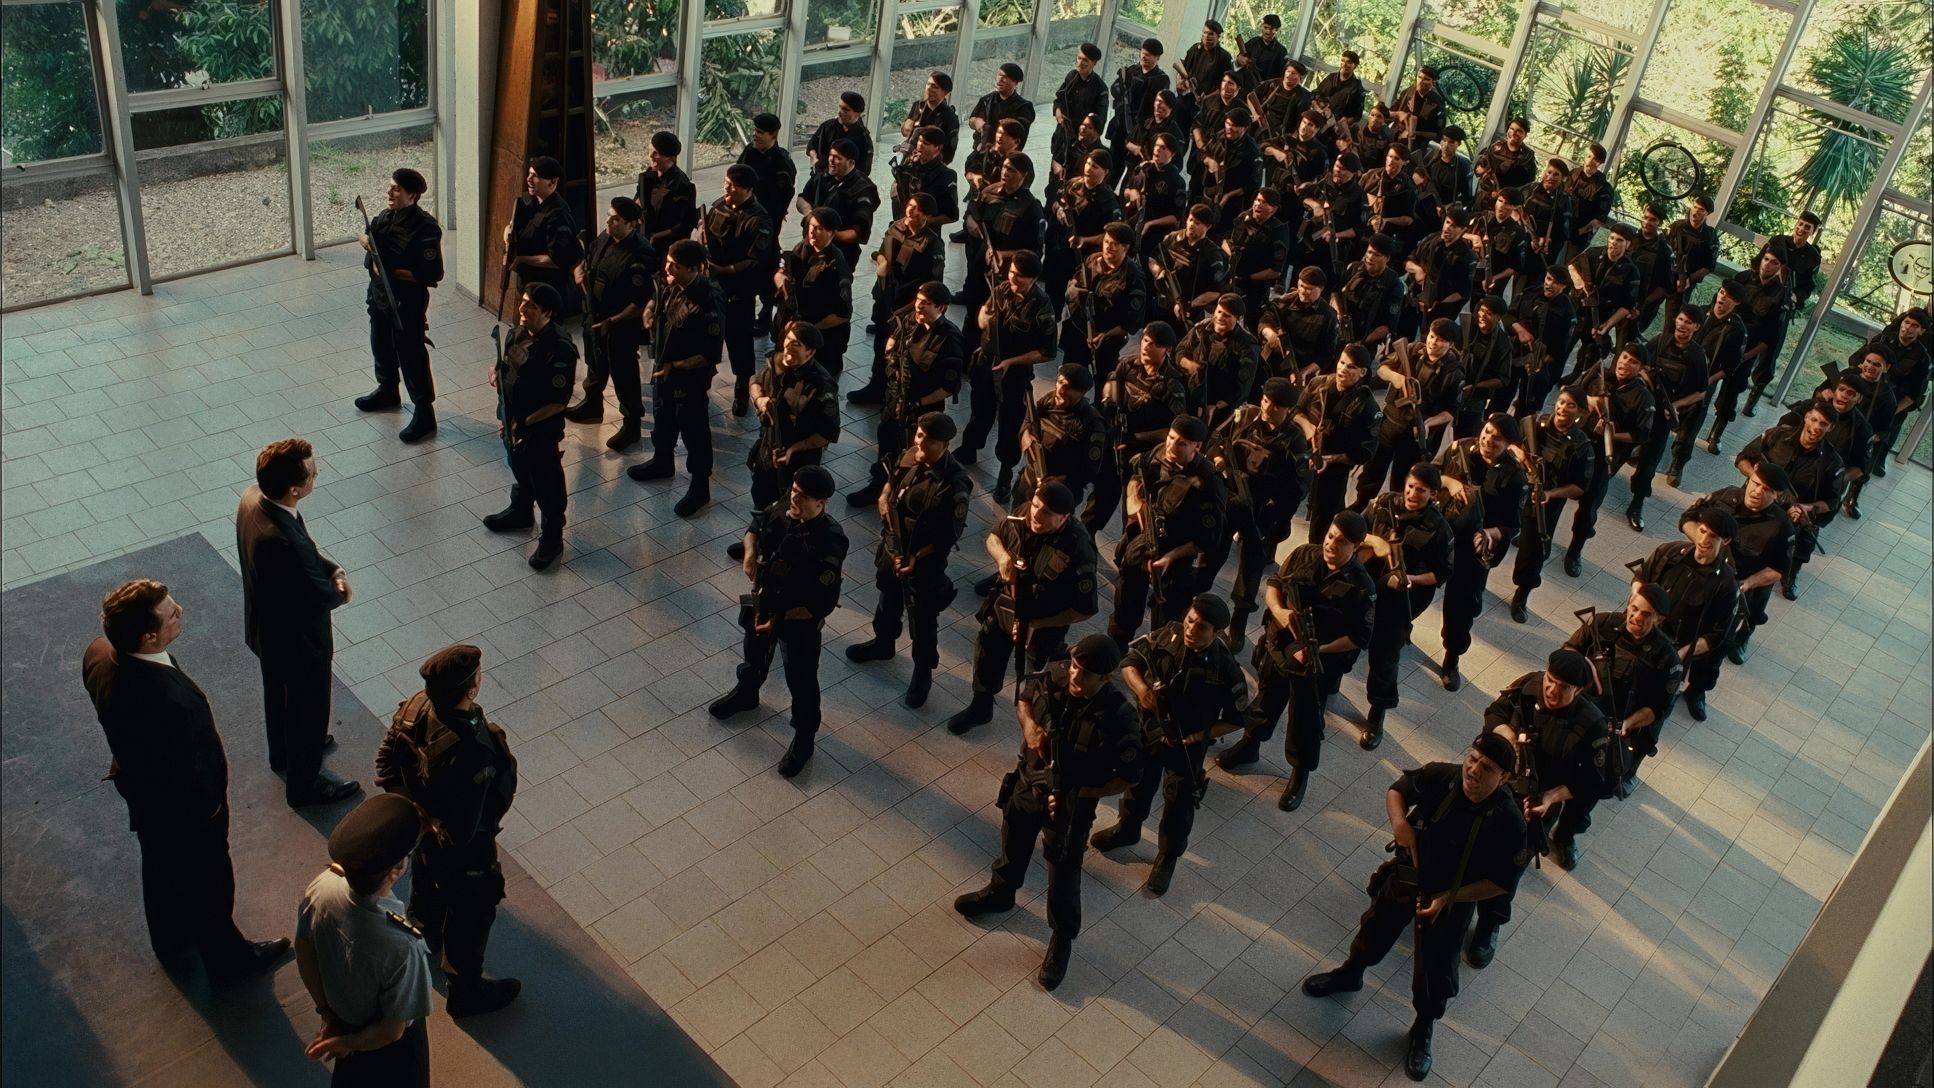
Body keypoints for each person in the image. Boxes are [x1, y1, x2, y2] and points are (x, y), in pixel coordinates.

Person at [83, 579, 291, 973]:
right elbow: (185, 761)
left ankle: (170, 939)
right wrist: (210, 807)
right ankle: (229, 960)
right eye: (171, 615)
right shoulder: (163, 699)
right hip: (187, 809)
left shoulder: (99, 654)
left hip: (144, 794)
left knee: (160, 866)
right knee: (210, 879)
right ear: (148, 637)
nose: (181, 612)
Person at [1302, 735, 1526, 1081]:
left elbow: (1500, 883)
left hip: (1452, 898)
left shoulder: (1509, 822)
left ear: (1504, 778)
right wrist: (1400, 825)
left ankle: (1423, 1028)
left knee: (1436, 969)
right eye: (1472, 759)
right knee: (1375, 927)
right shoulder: (1442, 776)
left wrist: (1449, 899)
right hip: (1409, 876)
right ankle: (1350, 973)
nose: (1474, 771)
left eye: (1487, 768)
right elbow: (1397, 791)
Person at [954, 635, 1142, 991]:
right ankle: (1001, 893)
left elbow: (1128, 777)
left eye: (1086, 674)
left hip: (1071, 806)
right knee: (1013, 840)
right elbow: (1025, 698)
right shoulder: (1055, 674)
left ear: (1105, 678)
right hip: (1029, 784)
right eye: (1075, 666)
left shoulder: (1119, 716)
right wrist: (1030, 728)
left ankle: (1061, 938)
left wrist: (1078, 791)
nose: (1075, 676)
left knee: (1064, 873)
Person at [375, 645, 521, 1018]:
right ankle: (465, 990)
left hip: (425, 834)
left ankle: (423, 933)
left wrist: (416, 812)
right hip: (464, 847)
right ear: (472, 688)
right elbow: (468, 824)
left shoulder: (414, 707)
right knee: (473, 906)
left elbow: (386, 761)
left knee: (427, 880)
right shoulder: (472, 749)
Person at [1217, 512, 1376, 810]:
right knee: (1265, 700)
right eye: (1330, 536)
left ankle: (1299, 774)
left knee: (1305, 719)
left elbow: (1358, 638)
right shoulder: (1305, 554)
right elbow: (1275, 584)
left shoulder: (1362, 587)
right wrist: (1280, 612)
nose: (1331, 544)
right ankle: (1250, 745)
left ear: (1356, 546)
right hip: (1280, 647)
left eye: (1341, 542)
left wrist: (1319, 650)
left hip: (1316, 662)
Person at [1091, 594, 1247, 894]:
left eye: (1201, 627)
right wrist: (1143, 692)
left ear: (1216, 633)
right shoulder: (1169, 634)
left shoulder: (1225, 670)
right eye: (1190, 620)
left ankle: (1167, 858)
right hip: (1149, 732)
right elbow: (1130, 663)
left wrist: (1199, 736)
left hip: (1185, 746)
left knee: (1178, 804)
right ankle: (1128, 829)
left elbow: (1237, 719)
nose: (1190, 630)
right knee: (1137, 784)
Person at [237, 438, 362, 805]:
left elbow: (303, 553)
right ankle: (305, 784)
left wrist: (329, 567)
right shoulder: (278, 541)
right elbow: (313, 593)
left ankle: (282, 753)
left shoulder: (254, 500)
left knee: (277, 696)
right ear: (295, 488)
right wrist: (340, 590)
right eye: (312, 473)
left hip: (267, 631)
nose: (316, 475)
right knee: (309, 709)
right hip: (300, 644)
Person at [1466, 650, 1608, 965]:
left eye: (1563, 687)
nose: (1552, 690)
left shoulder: (1591, 724)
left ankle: (1488, 926)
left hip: (1534, 804)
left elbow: (1595, 781)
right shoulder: (1529, 684)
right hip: (1493, 787)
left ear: (1578, 691)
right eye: (1550, 680)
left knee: (1507, 869)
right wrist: (1505, 733)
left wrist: (1552, 797)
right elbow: (1496, 712)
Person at [710, 466, 850, 777]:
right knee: (753, 651)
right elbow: (755, 527)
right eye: (794, 491)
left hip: (796, 618)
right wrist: (749, 554)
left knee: (801, 680)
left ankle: (804, 738)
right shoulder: (781, 508)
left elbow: (822, 603)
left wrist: (778, 620)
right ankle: (747, 694)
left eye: (803, 497)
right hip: (762, 599)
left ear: (822, 502)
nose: (794, 500)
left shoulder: (829, 540)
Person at [295, 794, 434, 1086]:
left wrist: (327, 1014)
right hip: (391, 1055)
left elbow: (304, 949)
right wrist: (349, 1043)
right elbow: (392, 1031)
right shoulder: (402, 945)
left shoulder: (322, 887)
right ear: (396, 869)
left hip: (343, 1020)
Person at [944, 482, 1100, 734]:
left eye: (1047, 512)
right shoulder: (1025, 514)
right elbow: (994, 536)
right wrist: (1003, 558)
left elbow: (1085, 610)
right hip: (1006, 607)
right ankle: (980, 708)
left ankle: (1036, 727)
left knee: (1038, 679)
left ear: (1064, 518)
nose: (1036, 514)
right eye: (1036, 505)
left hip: (1045, 621)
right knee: (987, 655)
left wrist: (1037, 624)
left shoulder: (1078, 548)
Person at [847, 412, 973, 708]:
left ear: (945, 445)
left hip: (924, 561)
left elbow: (948, 536)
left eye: (930, 440)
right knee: (887, 599)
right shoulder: (910, 456)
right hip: (894, 547)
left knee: (923, 619)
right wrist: (884, 498)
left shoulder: (954, 485)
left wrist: (916, 556)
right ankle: (883, 643)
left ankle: (922, 674)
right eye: (919, 436)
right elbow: (892, 483)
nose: (921, 444)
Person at [1208, 376, 1311, 642]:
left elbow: (1298, 488)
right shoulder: (1245, 418)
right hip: (1232, 499)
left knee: (1250, 569)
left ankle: (1239, 623)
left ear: (1287, 409)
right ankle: (1197, 596)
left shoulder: (1294, 441)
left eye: (1275, 405)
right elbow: (1217, 439)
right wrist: (1219, 458)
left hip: (1261, 512)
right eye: (1265, 401)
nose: (1267, 408)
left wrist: (1272, 516)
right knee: (1212, 552)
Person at [1108, 415, 1228, 644]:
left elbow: (1206, 540)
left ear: (1197, 447)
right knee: (1125, 610)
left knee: (1166, 621)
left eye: (1182, 443)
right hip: (1143, 543)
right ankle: (1118, 647)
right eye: (1171, 438)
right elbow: (1137, 481)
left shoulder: (1209, 483)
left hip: (1176, 556)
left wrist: (1170, 557)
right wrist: (1138, 511)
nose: (1172, 446)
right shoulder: (1157, 454)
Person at [1359, 463, 1453, 748]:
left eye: (1421, 490)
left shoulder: (1439, 528)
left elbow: (1441, 574)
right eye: (1410, 486)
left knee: (1385, 655)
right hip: (1366, 585)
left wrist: (1408, 578)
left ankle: (1377, 713)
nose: (1412, 494)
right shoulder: (1384, 504)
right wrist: (1376, 542)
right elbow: (1357, 531)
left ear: (1433, 494)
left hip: (1402, 598)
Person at [484, 281, 578, 567]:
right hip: (512, 421)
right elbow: (506, 367)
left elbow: (558, 402)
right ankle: (521, 511)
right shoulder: (517, 334)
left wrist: (524, 423)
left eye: (531, 306)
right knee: (519, 466)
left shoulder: (559, 349)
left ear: (547, 312)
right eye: (523, 301)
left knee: (546, 481)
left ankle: (552, 538)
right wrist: (496, 374)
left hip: (538, 429)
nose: (522, 309)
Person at [629, 240, 723, 518]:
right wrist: (650, 308)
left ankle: (700, 487)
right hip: (664, 369)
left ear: (693, 269)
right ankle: (662, 462)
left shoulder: (708, 300)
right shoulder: (674, 284)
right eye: (668, 262)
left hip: (688, 378)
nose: (667, 269)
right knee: (663, 417)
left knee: (694, 430)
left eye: (675, 266)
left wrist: (676, 366)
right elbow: (659, 298)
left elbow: (709, 354)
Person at [849, 281, 964, 506]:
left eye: (926, 304)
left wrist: (918, 403)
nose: (918, 307)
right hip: (895, 399)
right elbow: (895, 341)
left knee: (911, 455)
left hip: (920, 410)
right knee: (887, 441)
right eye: (918, 301)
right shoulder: (911, 321)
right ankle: (881, 480)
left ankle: (899, 494)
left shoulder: (949, 339)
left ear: (941, 308)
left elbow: (948, 387)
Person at [1433, 414, 1525, 689]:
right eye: (1487, 432)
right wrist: (1449, 483)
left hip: (1472, 546)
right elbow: (1429, 476)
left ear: (1508, 444)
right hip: (1439, 533)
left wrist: (1491, 533)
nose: (1488, 440)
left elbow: (1512, 526)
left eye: (1497, 438)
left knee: (1461, 607)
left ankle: (1452, 656)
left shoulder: (1514, 476)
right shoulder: (1459, 449)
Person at [353, 167, 444, 443]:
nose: (389, 192)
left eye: (396, 189)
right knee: (380, 345)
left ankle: (424, 413)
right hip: (379, 298)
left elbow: (432, 273)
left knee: (411, 355)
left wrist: (391, 271)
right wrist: (369, 248)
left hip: (406, 302)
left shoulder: (426, 228)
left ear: (412, 196)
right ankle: (388, 390)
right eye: (390, 186)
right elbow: (370, 248)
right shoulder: (384, 218)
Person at [1563, 585, 1683, 787]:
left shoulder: (1667, 658)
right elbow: (1568, 651)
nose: (1636, 617)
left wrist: (1627, 724)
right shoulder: (1602, 624)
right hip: (1589, 700)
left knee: (1620, 765)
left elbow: (1658, 709)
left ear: (1659, 619)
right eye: (1634, 609)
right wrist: (1587, 668)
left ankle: (1627, 773)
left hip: (1630, 716)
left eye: (1646, 614)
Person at [564, 196, 655, 450]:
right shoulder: (604, 238)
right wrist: (580, 273)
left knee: (624, 373)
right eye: (609, 216)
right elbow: (590, 263)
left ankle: (631, 424)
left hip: (620, 325)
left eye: (615, 219)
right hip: (594, 315)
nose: (609, 222)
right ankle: (592, 404)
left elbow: (640, 301)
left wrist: (614, 320)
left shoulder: (640, 253)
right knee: (595, 362)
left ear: (631, 224)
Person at [962, 251, 1056, 494]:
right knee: (980, 410)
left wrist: (1012, 362)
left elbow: (1047, 352)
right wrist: (984, 318)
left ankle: (1005, 473)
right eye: (1012, 272)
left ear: (1033, 278)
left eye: (1020, 276)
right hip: (987, 363)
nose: (1013, 279)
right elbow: (983, 316)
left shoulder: (1041, 305)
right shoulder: (1001, 289)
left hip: (1014, 372)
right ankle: (969, 448)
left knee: (1010, 422)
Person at [1634, 506, 1739, 722]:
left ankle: (1695, 694)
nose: (1704, 540)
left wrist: (1679, 655)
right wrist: (1637, 611)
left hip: (1681, 644)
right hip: (1648, 629)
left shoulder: (1726, 584)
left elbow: (1717, 635)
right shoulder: (1670, 553)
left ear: (1725, 541)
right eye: (1702, 531)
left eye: (1713, 536)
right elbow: (1640, 580)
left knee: (1662, 697)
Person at [1682, 464, 1792, 664]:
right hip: (1701, 574)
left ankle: (1738, 641)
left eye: (1766, 489)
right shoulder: (1726, 496)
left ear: (1776, 495)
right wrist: (1702, 542)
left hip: (1740, 587)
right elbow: (1688, 518)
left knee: (1717, 644)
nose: (1757, 492)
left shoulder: (1781, 526)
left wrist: (1747, 584)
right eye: (1755, 483)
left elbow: (1778, 570)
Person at [1559, 342, 1653, 575]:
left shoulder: (1642, 397)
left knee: (1588, 508)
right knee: (1553, 494)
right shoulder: (1600, 373)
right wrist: (1589, 402)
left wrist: (1611, 433)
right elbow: (1570, 391)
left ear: (1641, 369)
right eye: (1624, 357)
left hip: (1601, 458)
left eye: (1633, 362)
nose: (1625, 364)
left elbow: (1641, 435)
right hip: (1573, 446)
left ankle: (1575, 550)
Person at [1088, 323, 1190, 535]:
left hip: (1144, 455)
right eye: (1145, 340)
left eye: (1153, 344)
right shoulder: (1128, 365)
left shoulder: (1173, 386)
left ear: (1167, 349)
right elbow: (1112, 382)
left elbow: (1173, 431)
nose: (1145, 347)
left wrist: (1136, 438)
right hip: (1117, 443)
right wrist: (1110, 401)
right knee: (1099, 502)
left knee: (1134, 513)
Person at [1737, 402, 1846, 599]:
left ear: (1831, 428)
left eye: (1823, 424)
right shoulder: (1776, 436)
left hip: (1790, 517)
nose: (1816, 427)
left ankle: (1790, 573)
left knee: (1798, 546)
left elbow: (1831, 502)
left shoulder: (1832, 462)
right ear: (1806, 417)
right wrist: (1758, 479)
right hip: (1756, 503)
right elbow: (1743, 459)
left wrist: (1807, 508)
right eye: (1814, 419)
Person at [1352, 321, 1464, 510]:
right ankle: (1361, 505)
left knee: (1403, 479)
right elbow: (1382, 368)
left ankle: (1396, 512)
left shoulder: (1454, 372)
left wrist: (1429, 423)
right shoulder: (1412, 350)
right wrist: (1396, 377)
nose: (1433, 342)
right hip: (1390, 422)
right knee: (1373, 469)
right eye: (1432, 336)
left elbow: (1451, 412)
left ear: (1450, 344)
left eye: (1440, 340)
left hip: (1415, 432)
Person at [1505, 387, 1591, 622]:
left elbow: (1579, 487)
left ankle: (1522, 594)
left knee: (1533, 554)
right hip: (1514, 489)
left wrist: (1551, 493)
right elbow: (1510, 442)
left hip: (1544, 503)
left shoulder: (1581, 446)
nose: (1563, 408)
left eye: (1571, 405)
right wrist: (1520, 456)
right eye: (1561, 402)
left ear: (1581, 413)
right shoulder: (1534, 424)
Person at [853, 193, 947, 405]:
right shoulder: (896, 227)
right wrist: (882, 263)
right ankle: (876, 386)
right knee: (880, 343)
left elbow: (934, 285)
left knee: (901, 351)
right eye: (910, 206)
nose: (911, 211)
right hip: (886, 295)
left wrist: (913, 309)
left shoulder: (933, 244)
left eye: (918, 209)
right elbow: (880, 252)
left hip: (908, 305)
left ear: (927, 215)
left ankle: (897, 393)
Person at [1626, 307, 1709, 528]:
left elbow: (1701, 392)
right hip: (1641, 405)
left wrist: (1675, 405)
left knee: (1649, 461)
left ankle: (1637, 502)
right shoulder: (1661, 340)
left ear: (1696, 327)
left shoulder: (1697, 356)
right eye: (1680, 319)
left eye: (1688, 322)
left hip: (1663, 413)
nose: (1682, 325)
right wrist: (1647, 379)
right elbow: (1639, 362)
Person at [744, 322, 840, 513]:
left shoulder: (821, 386)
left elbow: (826, 434)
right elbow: (755, 382)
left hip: (798, 462)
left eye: (796, 344)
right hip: (767, 452)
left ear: (810, 352)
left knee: (790, 510)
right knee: (761, 501)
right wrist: (760, 400)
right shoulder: (777, 364)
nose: (788, 347)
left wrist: (792, 450)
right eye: (788, 340)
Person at [704, 164, 776, 415]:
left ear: (747, 189)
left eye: (733, 186)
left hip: (738, 289)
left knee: (739, 342)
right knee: (705, 338)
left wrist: (726, 270)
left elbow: (756, 259)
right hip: (712, 286)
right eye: (726, 183)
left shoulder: (759, 220)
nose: (727, 189)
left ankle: (742, 389)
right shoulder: (718, 206)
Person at [1705, 251, 1791, 451]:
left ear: (1780, 267)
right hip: (1720, 341)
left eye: (1774, 262)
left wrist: (1745, 357)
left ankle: (1716, 434)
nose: (1767, 264)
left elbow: (1771, 338)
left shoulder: (1780, 295)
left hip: (1747, 350)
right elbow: (1716, 303)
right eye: (1766, 259)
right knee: (1704, 382)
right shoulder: (1742, 278)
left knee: (1730, 394)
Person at [1295, 343, 1380, 545]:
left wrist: (1332, 459)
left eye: (1351, 367)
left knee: (1324, 519)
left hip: (1334, 468)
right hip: (1303, 455)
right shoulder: (1318, 385)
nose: (1342, 369)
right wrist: (1309, 428)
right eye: (1342, 363)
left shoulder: (1368, 407)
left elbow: (1366, 451)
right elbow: (1296, 411)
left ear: (1362, 372)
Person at [1670, 281, 1746, 485]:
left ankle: (1677, 464)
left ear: (1736, 303)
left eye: (1728, 296)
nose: (1722, 298)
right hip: (1678, 372)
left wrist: (1708, 381)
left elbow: (1730, 366)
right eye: (1721, 292)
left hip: (1705, 380)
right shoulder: (1701, 313)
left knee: (1690, 425)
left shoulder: (1735, 329)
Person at [772, 207, 854, 376]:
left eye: (819, 228)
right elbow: (784, 267)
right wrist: (780, 276)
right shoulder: (802, 248)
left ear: (831, 233)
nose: (812, 232)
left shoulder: (837, 266)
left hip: (823, 340)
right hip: (794, 330)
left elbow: (843, 314)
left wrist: (806, 330)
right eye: (811, 226)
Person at [1063, 221, 1148, 381]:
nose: (1108, 247)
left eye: (1114, 244)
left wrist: (1105, 334)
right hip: (1078, 332)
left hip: (1106, 341)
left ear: (1125, 247)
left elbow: (1131, 323)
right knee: (1069, 379)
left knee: (1104, 383)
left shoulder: (1133, 278)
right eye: (1106, 242)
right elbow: (1076, 280)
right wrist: (1073, 290)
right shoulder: (1092, 260)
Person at [736, 114, 799, 323]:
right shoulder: (749, 153)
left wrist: (769, 220)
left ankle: (766, 311)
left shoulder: (781, 163)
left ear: (773, 135)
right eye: (755, 130)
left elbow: (782, 198)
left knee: (765, 266)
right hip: (744, 219)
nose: (755, 135)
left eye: (760, 132)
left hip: (766, 224)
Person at [503, 155, 582, 317]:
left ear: (552, 182)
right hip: (527, 283)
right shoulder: (528, 201)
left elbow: (558, 260)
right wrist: (507, 235)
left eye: (535, 176)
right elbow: (511, 225)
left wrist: (522, 259)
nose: (529, 179)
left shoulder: (558, 215)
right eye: (529, 174)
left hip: (547, 290)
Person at [1176, 292, 1261, 428]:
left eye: (1227, 315)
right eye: (1219, 312)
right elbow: (1180, 351)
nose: (1220, 318)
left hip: (1221, 405)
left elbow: (1243, 385)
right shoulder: (1201, 329)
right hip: (1192, 393)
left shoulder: (1248, 345)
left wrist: (1218, 407)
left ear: (1237, 318)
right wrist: (1190, 365)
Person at [1221, 188, 1290, 329]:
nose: (1258, 204)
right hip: (1231, 280)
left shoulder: (1278, 231)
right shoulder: (1243, 218)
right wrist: (1231, 252)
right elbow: (1225, 240)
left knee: (1252, 324)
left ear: (1274, 209)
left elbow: (1275, 271)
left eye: (1264, 202)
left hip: (1255, 287)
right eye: (1257, 200)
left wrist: (1248, 277)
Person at [1108, 38, 1170, 175]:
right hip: (1122, 124)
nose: (1144, 57)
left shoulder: (1161, 79)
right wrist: (1122, 92)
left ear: (1157, 58)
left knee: (1134, 170)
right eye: (1143, 52)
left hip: (1141, 130)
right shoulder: (1131, 71)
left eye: (1149, 55)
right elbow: (1115, 88)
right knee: (1113, 165)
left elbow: (1159, 104)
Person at [1660, 195, 1718, 334]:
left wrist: (1689, 280)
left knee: (1673, 323)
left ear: (1707, 214)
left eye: (1701, 210)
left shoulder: (1709, 236)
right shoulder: (1677, 226)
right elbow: (1662, 247)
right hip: (1664, 276)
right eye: (1695, 207)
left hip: (1683, 284)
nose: (1695, 212)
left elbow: (1708, 266)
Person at [635, 131, 699, 256]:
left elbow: (687, 223)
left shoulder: (682, 185)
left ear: (669, 157)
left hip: (664, 244)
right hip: (643, 235)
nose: (650, 156)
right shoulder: (649, 175)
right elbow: (639, 199)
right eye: (650, 150)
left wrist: (656, 236)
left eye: (656, 153)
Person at [1052, 43, 1109, 171]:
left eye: (1085, 60)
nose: (1080, 63)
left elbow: (1099, 121)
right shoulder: (1072, 76)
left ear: (1094, 63)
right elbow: (1059, 98)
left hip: (1081, 143)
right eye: (1079, 58)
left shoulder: (1100, 88)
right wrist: (1058, 111)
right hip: (1063, 137)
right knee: (1055, 174)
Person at [970, 63, 1037, 152]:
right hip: (980, 151)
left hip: (1006, 155)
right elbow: (972, 119)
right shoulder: (987, 100)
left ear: (1016, 82)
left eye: (1005, 77)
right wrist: (979, 124)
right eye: (999, 75)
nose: (1000, 79)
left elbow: (1019, 132)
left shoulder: (1024, 107)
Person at [805, 90, 873, 176]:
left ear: (858, 114)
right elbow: (811, 145)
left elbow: (864, 170)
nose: (839, 112)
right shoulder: (827, 126)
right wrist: (814, 157)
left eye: (845, 110)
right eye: (840, 107)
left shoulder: (863, 138)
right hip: (820, 177)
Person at [1474, 117, 1536, 212]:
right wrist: (1492, 188)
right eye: (1511, 129)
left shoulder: (1528, 157)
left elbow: (1528, 185)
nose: (1514, 133)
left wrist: (1504, 195)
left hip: (1508, 204)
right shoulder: (1496, 147)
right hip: (1484, 197)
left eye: (1519, 131)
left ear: (1525, 135)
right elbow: (1479, 169)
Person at [901, 71, 961, 164]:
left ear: (946, 93)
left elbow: (949, 152)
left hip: (930, 165)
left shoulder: (950, 117)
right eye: (928, 84)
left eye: (935, 87)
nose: (929, 89)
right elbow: (906, 132)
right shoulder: (918, 106)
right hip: (908, 160)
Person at [1390, 67, 1446, 152]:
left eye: (1426, 79)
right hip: (1396, 137)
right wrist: (1399, 114)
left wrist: (1415, 132)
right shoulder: (1408, 92)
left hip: (1417, 145)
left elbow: (1438, 134)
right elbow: (1390, 112)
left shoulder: (1438, 103)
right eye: (1419, 77)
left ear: (1433, 83)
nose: (1421, 81)